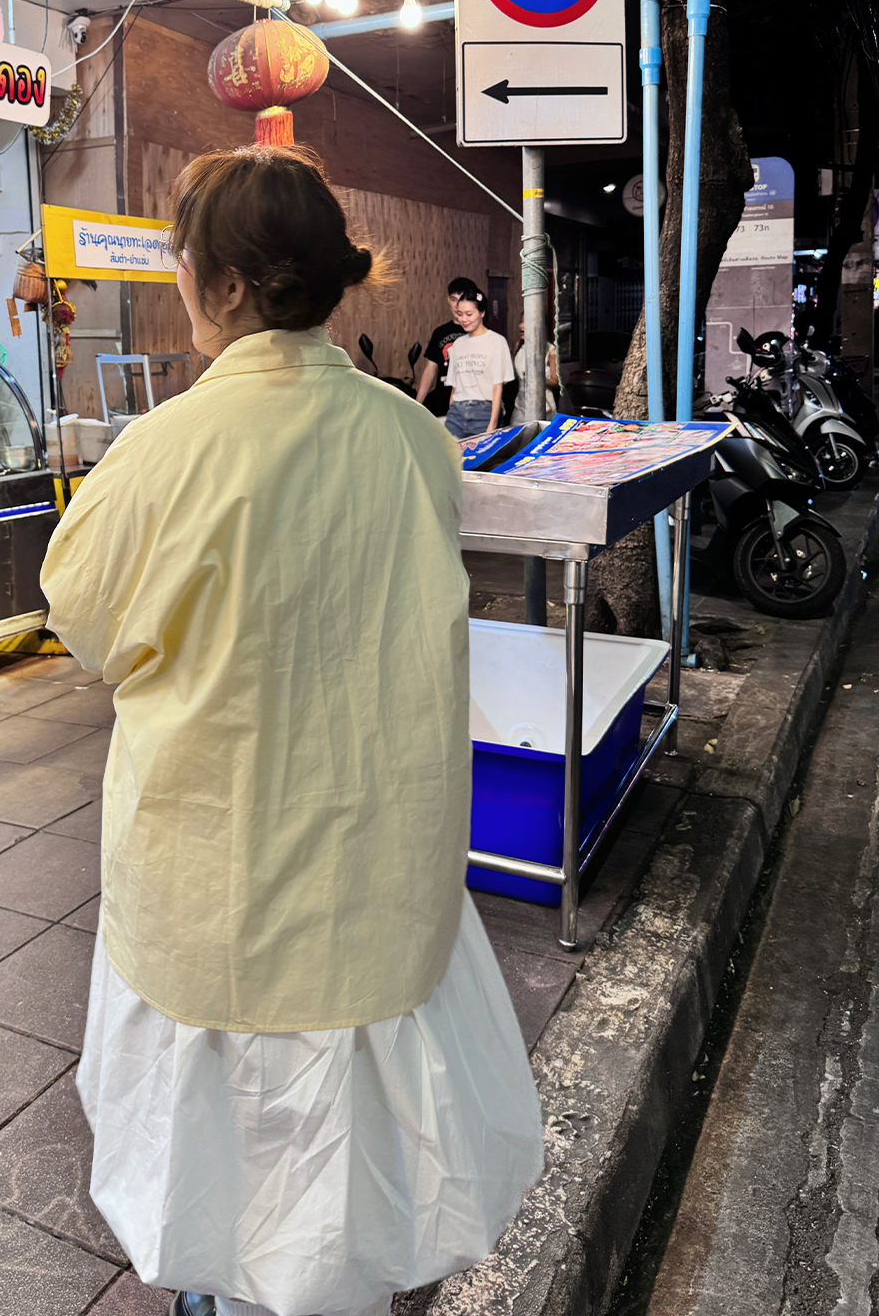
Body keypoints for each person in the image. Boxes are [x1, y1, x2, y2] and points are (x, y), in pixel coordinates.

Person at [41, 145, 542, 1316]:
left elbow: (89, 626)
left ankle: (225, 1288)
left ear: (221, 288)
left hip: (214, 853)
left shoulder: (159, 451)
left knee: (220, 1110)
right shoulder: (415, 440)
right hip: (375, 846)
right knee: (354, 1120)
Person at [442, 290, 516, 438]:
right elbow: (454, 388)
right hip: (457, 412)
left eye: (469, 314)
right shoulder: (457, 344)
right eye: (460, 314)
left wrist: (492, 426)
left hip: (484, 412)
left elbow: (497, 387)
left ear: (482, 313)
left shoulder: (497, 342)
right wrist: (451, 412)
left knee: (483, 459)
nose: (463, 319)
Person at [415, 276, 479, 415]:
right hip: (442, 400)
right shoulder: (440, 333)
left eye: (461, 300)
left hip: (471, 402)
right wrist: (417, 404)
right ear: (448, 300)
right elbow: (430, 370)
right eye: (453, 300)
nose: (457, 306)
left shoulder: (479, 332)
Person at [509, 318, 560, 425]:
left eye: (526, 322)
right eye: (520, 322)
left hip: (544, 406)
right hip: (520, 405)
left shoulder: (550, 351)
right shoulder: (518, 346)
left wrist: (537, 378)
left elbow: (556, 382)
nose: (521, 326)